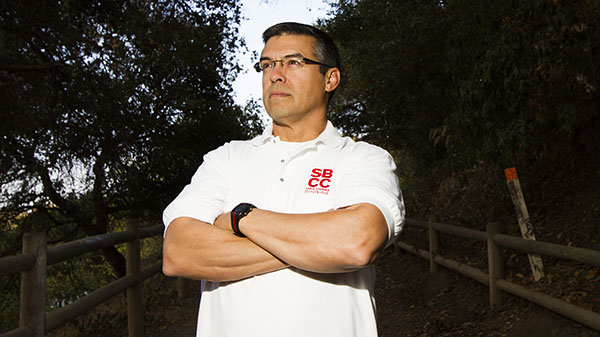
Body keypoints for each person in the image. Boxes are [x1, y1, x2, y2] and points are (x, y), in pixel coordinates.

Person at [162, 22, 405, 337]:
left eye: (293, 62)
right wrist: (316, 247)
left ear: (330, 78)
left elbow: (356, 243)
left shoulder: (364, 158)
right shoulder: (226, 159)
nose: (276, 73)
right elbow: (178, 253)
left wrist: (240, 218)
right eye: (267, 64)